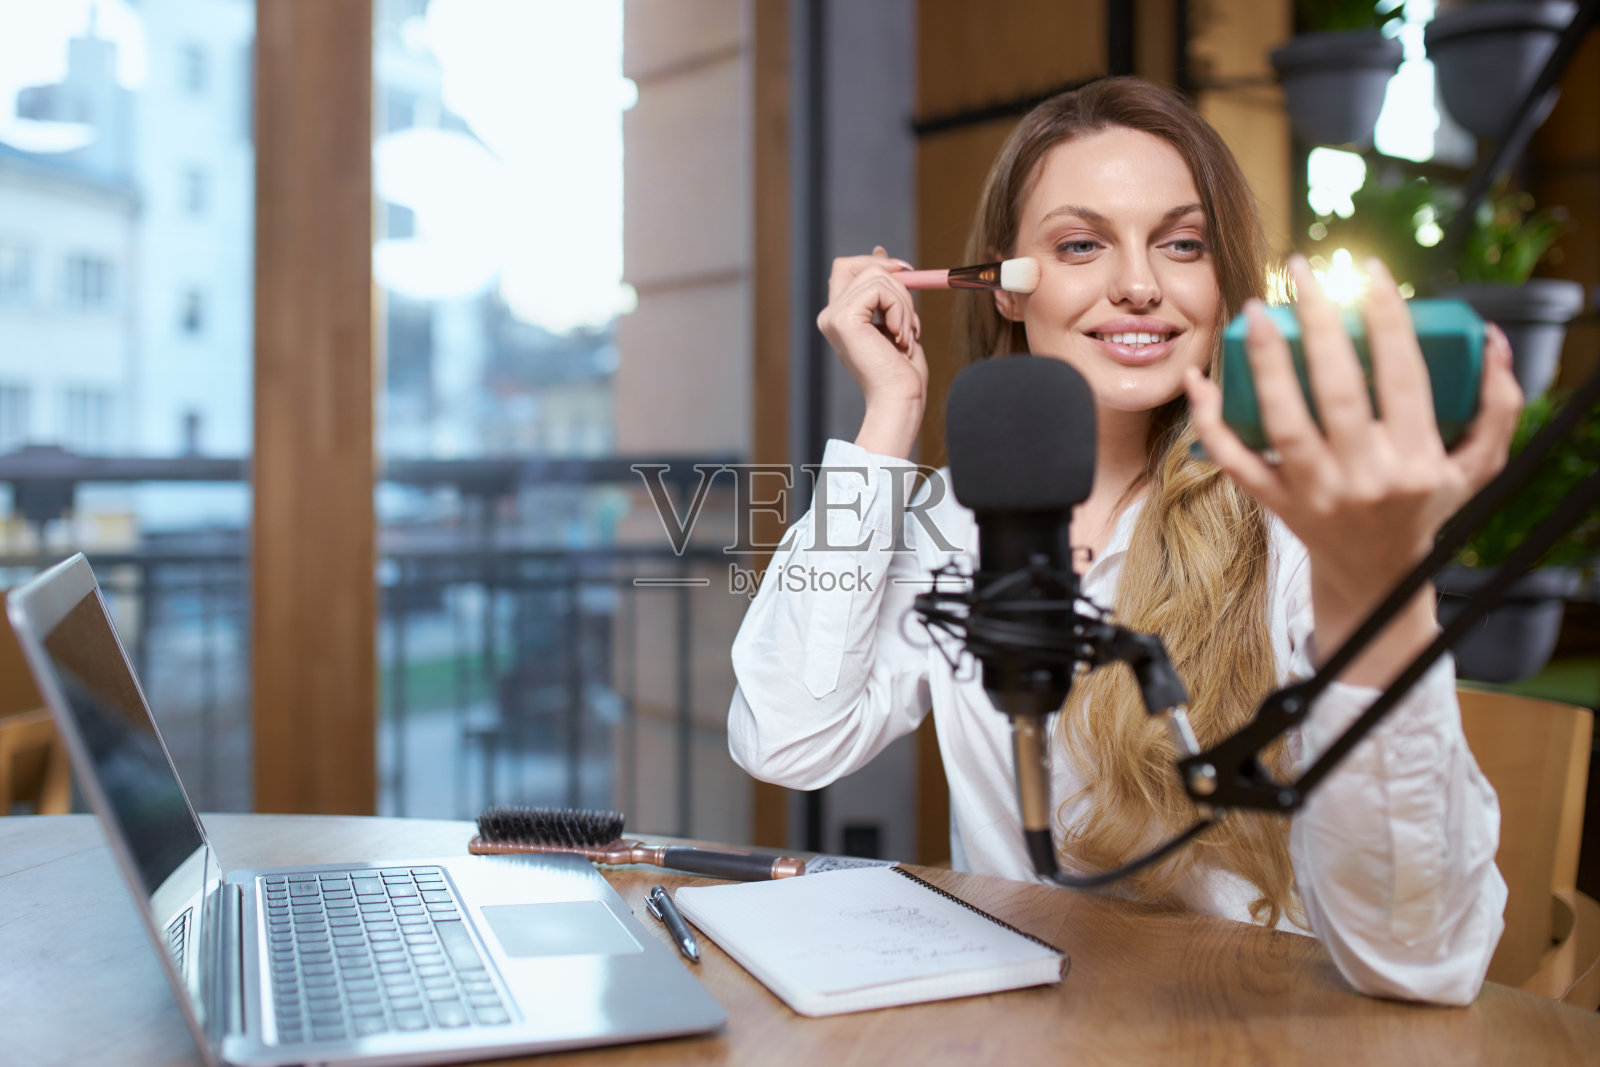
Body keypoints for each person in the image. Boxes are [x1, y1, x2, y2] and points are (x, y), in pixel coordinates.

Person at [727, 77, 1522, 1004]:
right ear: (1005, 286)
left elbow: (1426, 957)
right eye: (1080, 244)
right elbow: (787, 739)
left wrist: (1377, 581)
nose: (1140, 285)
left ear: (1222, 280)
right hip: (1021, 1035)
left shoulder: (1306, 518)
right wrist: (887, 419)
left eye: (1182, 245)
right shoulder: (951, 519)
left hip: (1256, 1031)